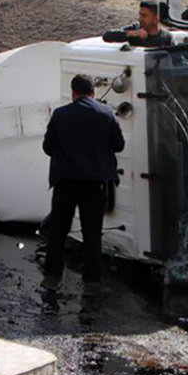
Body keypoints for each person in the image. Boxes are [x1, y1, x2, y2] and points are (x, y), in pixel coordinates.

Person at [41, 74, 125, 290]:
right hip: (95, 182)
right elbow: (118, 145)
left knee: (59, 229)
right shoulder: (106, 114)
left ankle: (52, 273)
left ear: (73, 92)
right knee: (92, 232)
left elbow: (47, 147)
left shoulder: (60, 115)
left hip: (66, 180)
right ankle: (92, 277)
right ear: (93, 93)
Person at [102, 0, 173, 48]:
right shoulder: (135, 29)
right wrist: (133, 33)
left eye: (144, 16)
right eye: (140, 15)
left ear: (155, 19)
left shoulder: (166, 38)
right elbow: (107, 36)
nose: (140, 19)